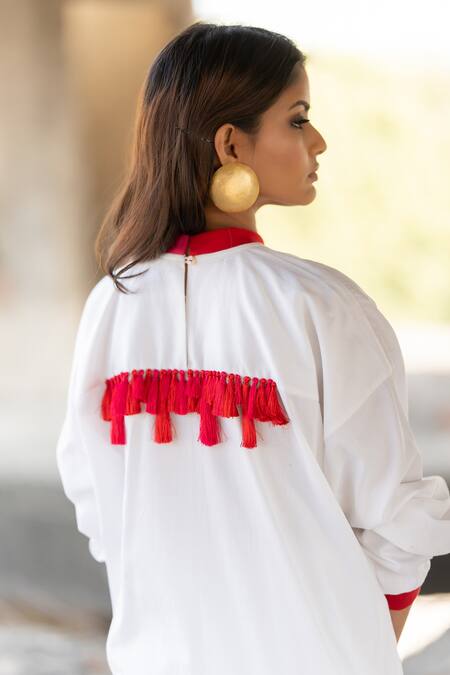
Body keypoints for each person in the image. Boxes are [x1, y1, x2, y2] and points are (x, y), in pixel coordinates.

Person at [55, 21, 450, 675]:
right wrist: (354, 644)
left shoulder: (111, 307)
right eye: (298, 119)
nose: (318, 141)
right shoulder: (323, 307)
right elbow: (398, 522)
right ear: (231, 144)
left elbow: (99, 504)